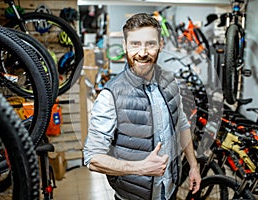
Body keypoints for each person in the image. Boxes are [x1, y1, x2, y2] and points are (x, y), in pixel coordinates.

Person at [83, 13, 201, 200]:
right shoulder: (111, 95)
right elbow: (92, 158)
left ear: (160, 46)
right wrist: (141, 167)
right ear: (125, 46)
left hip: (169, 191)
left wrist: (193, 165)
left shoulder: (170, 82)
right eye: (135, 44)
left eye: (150, 44)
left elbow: (182, 125)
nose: (143, 52)